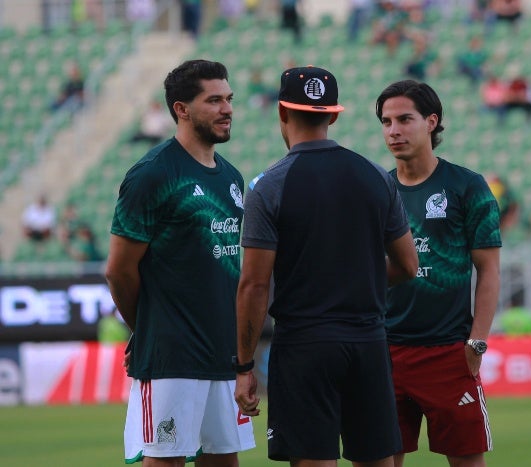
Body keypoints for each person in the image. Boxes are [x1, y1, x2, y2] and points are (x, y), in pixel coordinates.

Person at [234, 65, 418, 466]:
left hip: (305, 345)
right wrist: (360, 280)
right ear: (333, 115)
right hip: (369, 340)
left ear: (282, 112)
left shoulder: (268, 186)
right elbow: (407, 264)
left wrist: (245, 365)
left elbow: (254, 285)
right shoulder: (375, 176)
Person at [104, 59, 254, 466]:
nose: (227, 109)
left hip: (222, 352)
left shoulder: (231, 177)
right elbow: (119, 270)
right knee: (166, 460)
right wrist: (147, 327)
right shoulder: (154, 174)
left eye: (229, 99)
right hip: (174, 355)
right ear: (181, 110)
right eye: (214, 100)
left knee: (224, 460)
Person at [375, 79, 502, 467]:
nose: (393, 131)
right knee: (379, 459)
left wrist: (477, 342)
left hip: (449, 352)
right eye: (386, 122)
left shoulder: (467, 187)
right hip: (383, 351)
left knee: (466, 460)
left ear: (432, 122)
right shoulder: (374, 189)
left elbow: (489, 270)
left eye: (404, 119)